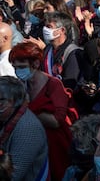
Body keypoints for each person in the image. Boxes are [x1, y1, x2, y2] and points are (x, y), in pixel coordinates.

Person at [10, 42, 74, 181]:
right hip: (31, 143)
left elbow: (57, 121)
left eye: (21, 67)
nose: (17, 72)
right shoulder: (20, 85)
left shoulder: (53, 84)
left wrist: (27, 109)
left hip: (55, 145)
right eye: (15, 68)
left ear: (36, 64)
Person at [0, 76, 48, 181]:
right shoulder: (7, 116)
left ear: (15, 102)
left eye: (1, 101)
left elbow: (10, 176)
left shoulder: (28, 129)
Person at [42, 12, 83, 89]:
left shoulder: (72, 52)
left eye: (49, 27)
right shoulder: (47, 50)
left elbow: (70, 83)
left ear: (62, 30)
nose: (45, 29)